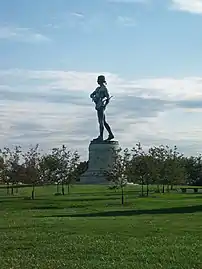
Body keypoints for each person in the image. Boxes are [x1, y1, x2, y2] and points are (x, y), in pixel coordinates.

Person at [90, 75, 114, 142]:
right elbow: (91, 94)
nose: (97, 81)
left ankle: (101, 136)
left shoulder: (104, 89)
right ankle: (110, 134)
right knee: (103, 121)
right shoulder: (98, 89)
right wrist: (94, 98)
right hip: (98, 106)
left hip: (101, 106)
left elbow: (107, 97)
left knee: (101, 122)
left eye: (98, 80)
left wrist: (104, 105)